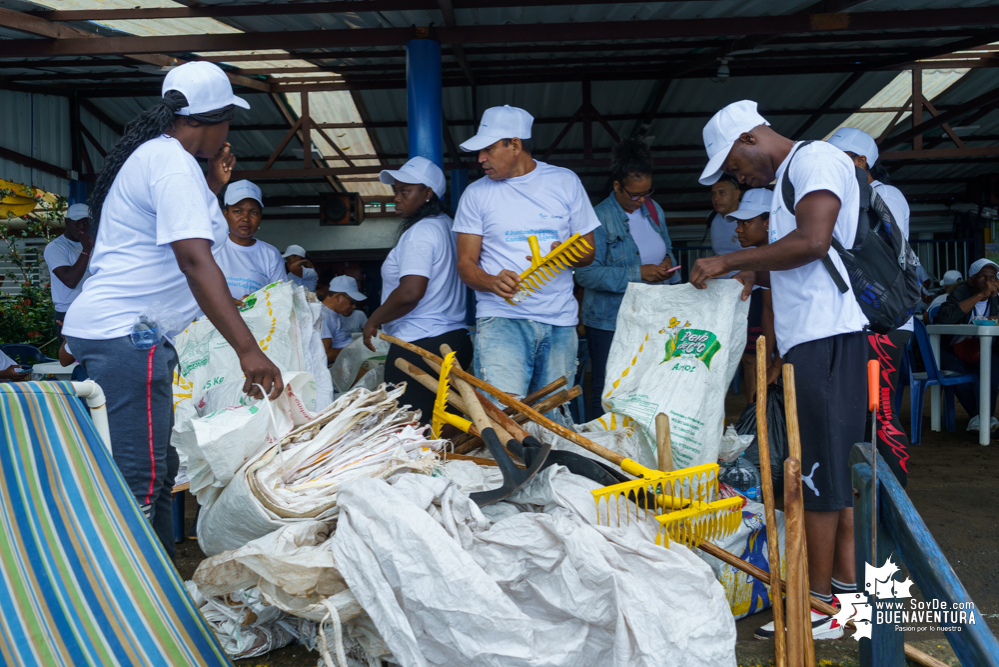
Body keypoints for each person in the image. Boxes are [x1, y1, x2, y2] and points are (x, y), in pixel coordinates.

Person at [61, 62, 283, 557]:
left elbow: (137, 251)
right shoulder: (171, 164)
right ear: (216, 119)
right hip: (126, 339)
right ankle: (126, 605)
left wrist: (213, 187)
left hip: (122, 333)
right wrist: (249, 351)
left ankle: (163, 592)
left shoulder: (163, 160)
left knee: (157, 474)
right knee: (138, 482)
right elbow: (194, 260)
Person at [689, 100, 867, 639]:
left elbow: (813, 242)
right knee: (827, 472)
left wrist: (730, 261)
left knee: (819, 476)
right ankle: (845, 598)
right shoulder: (793, 171)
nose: (737, 176)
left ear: (749, 138)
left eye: (733, 165)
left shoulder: (816, 160)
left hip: (828, 337)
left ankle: (819, 605)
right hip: (811, 340)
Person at [453, 105, 599, 400]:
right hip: (501, 320)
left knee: (554, 416)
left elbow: (589, 252)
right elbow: (465, 265)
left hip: (560, 322)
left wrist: (568, 253)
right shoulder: (476, 194)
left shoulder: (565, 182)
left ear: (515, 145)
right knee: (504, 414)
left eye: (489, 149)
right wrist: (492, 281)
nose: (481, 159)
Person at [828, 126, 913, 486]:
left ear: (862, 161)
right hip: (866, 322)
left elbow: (866, 248)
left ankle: (896, 494)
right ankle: (871, 489)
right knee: (865, 409)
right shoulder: (858, 196)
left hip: (883, 322)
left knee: (882, 410)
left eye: (840, 160)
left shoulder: (883, 194)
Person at [575, 138, 678, 420]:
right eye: (634, 194)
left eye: (647, 192)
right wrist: (638, 273)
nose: (642, 200)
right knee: (608, 389)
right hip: (610, 321)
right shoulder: (598, 219)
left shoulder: (653, 210)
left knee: (646, 384)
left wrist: (666, 261)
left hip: (652, 314)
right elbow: (585, 273)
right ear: (617, 186)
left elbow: (666, 246)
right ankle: (604, 452)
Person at [363, 156, 470, 423]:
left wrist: (374, 319)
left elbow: (411, 291)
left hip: (420, 349)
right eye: (395, 191)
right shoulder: (449, 227)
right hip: (454, 342)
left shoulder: (420, 232)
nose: (396, 198)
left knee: (411, 435)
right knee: (447, 435)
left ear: (427, 193)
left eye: (405, 191)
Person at [726, 188, 780, 397]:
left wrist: (776, 364)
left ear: (768, 222)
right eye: (738, 223)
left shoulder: (786, 254)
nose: (738, 230)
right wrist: (766, 360)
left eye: (745, 222)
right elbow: (768, 310)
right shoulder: (763, 256)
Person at [936, 258, 999, 436]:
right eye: (983, 278)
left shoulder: (996, 297)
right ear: (971, 280)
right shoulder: (960, 292)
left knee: (993, 368)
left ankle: (986, 417)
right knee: (957, 373)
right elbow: (945, 317)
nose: (988, 282)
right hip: (953, 350)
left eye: (992, 278)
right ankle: (979, 418)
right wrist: (980, 295)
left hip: (981, 350)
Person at [213, 179, 285, 302]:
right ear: (225, 215)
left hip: (253, 321)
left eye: (253, 212)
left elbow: (281, 299)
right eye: (237, 211)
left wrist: (257, 302)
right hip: (210, 321)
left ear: (260, 217)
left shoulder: (270, 254)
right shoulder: (210, 248)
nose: (245, 218)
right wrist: (223, 305)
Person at [45, 202, 93, 339]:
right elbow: (70, 281)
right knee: (71, 359)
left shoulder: (93, 243)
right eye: (76, 222)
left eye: (85, 222)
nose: (82, 226)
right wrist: (87, 250)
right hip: (68, 312)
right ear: (67, 222)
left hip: (91, 309)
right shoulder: (55, 248)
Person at [321, 275, 366, 365]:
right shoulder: (323, 317)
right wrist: (356, 349)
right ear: (338, 297)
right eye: (352, 302)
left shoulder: (337, 314)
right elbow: (325, 354)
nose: (353, 306)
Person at [706, 173, 744, 258]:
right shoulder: (712, 217)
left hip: (749, 270)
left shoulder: (750, 217)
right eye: (713, 194)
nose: (716, 198)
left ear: (736, 194)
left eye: (722, 192)